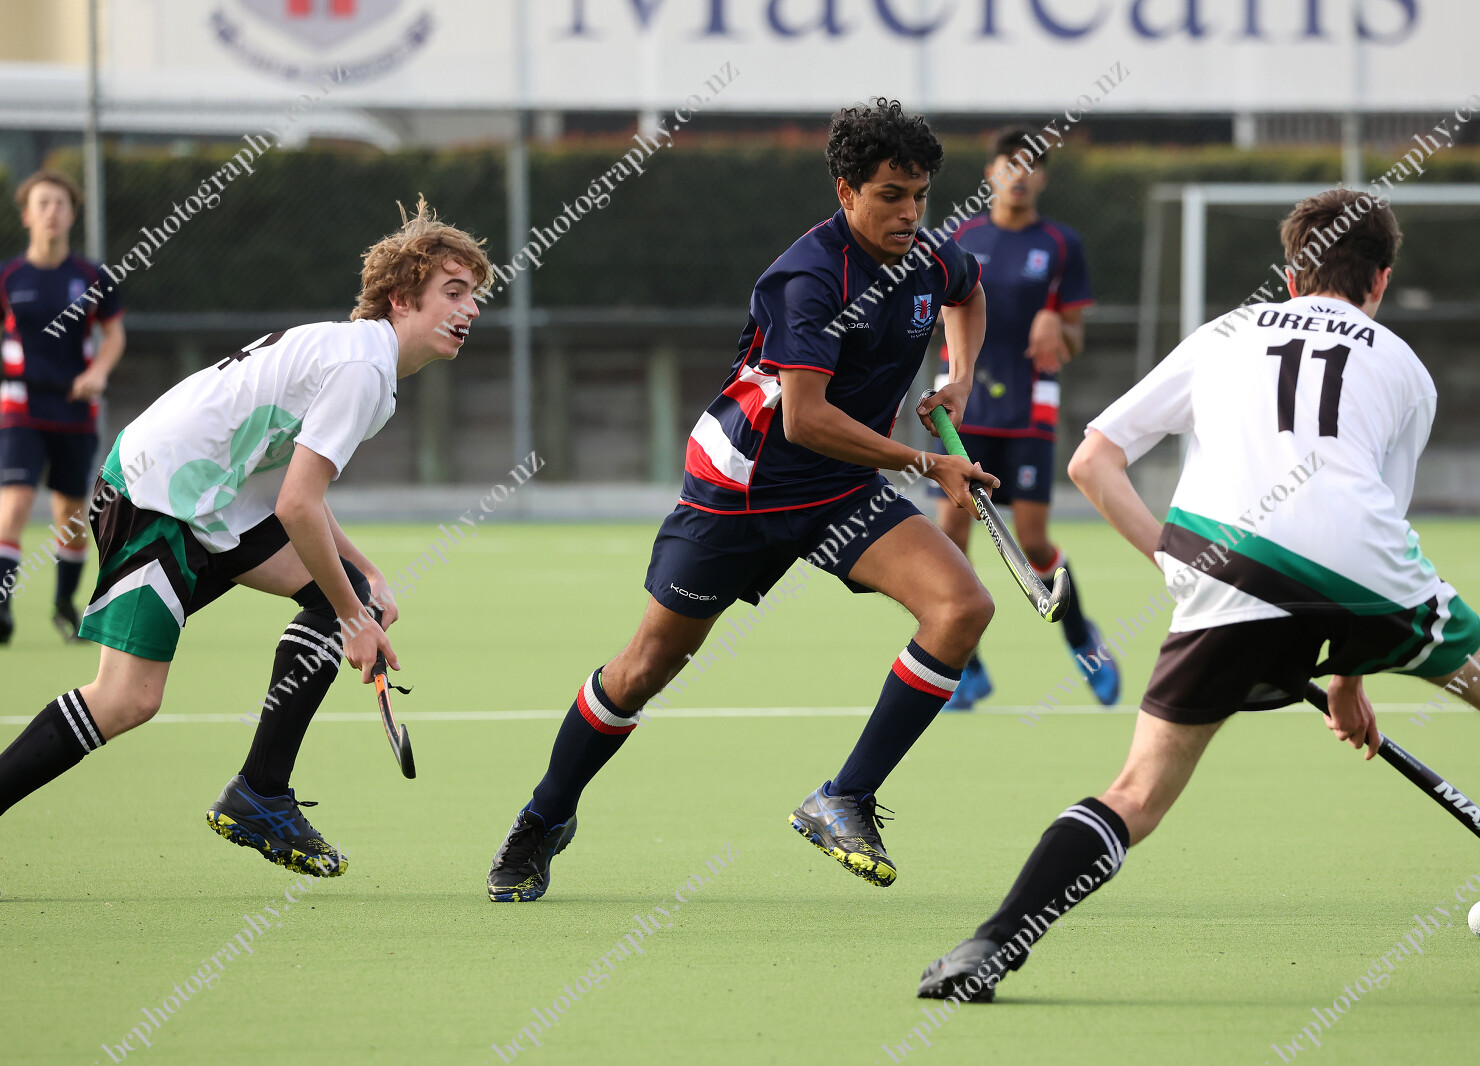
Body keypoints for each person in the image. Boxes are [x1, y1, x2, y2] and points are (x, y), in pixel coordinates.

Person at [917, 189, 1480, 1001]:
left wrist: (1178, 563)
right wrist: (1348, 672)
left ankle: (990, 946)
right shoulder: (1405, 367)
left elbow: (1092, 463)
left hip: (1225, 574)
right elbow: (1374, 529)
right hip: (1366, 575)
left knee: (1136, 793)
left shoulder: (1224, 334)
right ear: (1381, 280)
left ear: (1291, 275)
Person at [485, 99, 995, 902]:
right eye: (890, 196)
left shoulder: (927, 256)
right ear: (846, 191)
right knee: (647, 666)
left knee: (961, 608)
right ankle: (545, 815)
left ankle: (844, 798)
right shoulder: (810, 277)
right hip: (743, 491)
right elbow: (806, 419)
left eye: (920, 196)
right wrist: (926, 462)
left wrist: (958, 379)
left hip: (839, 489)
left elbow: (969, 293)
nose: (909, 213)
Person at [0, 198, 490, 878]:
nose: (471, 309)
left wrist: (366, 579)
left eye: (475, 295)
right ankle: (259, 794)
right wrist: (354, 616)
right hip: (158, 495)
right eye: (454, 292)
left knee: (343, 595)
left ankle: (260, 795)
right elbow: (297, 505)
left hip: (211, 499)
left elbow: (291, 488)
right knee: (126, 699)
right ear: (403, 299)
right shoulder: (363, 368)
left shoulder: (361, 359)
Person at [933, 127, 1118, 710]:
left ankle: (1084, 642)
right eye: (1008, 164)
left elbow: (1075, 339)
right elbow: (935, 313)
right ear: (990, 173)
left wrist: (1058, 326)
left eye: (1030, 166)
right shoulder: (958, 237)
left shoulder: (1061, 245)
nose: (1019, 176)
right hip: (963, 405)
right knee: (950, 536)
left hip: (1030, 407)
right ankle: (965, 668)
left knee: (1033, 541)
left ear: (1042, 178)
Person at [0, 170, 127, 643]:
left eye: (60, 203)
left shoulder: (92, 278)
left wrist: (98, 373)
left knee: (71, 515)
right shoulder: (8, 277)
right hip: (20, 408)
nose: (52, 212)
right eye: (43, 203)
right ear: (27, 215)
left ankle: (64, 605)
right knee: (14, 502)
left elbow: (114, 334)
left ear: (73, 214)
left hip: (75, 411)